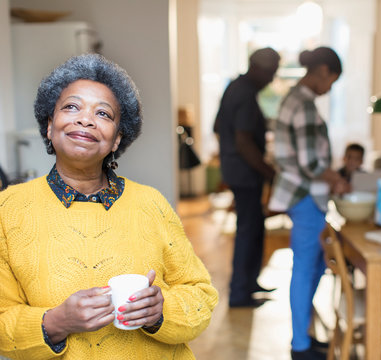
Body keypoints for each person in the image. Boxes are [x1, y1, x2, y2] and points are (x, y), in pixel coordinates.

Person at [0, 54, 218, 359]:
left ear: (116, 139)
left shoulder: (150, 203)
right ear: (50, 126)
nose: (85, 119)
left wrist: (160, 312)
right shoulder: (8, 209)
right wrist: (55, 322)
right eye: (71, 107)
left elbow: (200, 294)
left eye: (103, 113)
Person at [268, 47, 349, 360]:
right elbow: (310, 163)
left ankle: (305, 335)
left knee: (314, 264)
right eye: (333, 80)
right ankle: (300, 345)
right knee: (304, 267)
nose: (330, 87)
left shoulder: (296, 99)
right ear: (323, 71)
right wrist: (338, 180)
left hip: (303, 195)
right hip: (304, 196)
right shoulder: (302, 104)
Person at [213, 47, 280, 307]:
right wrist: (267, 170)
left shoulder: (235, 87)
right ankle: (240, 293)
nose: (272, 79)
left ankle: (250, 282)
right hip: (245, 173)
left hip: (237, 170)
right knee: (247, 230)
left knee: (254, 228)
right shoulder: (244, 93)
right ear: (259, 68)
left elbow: (218, 126)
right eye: (271, 73)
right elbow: (243, 141)